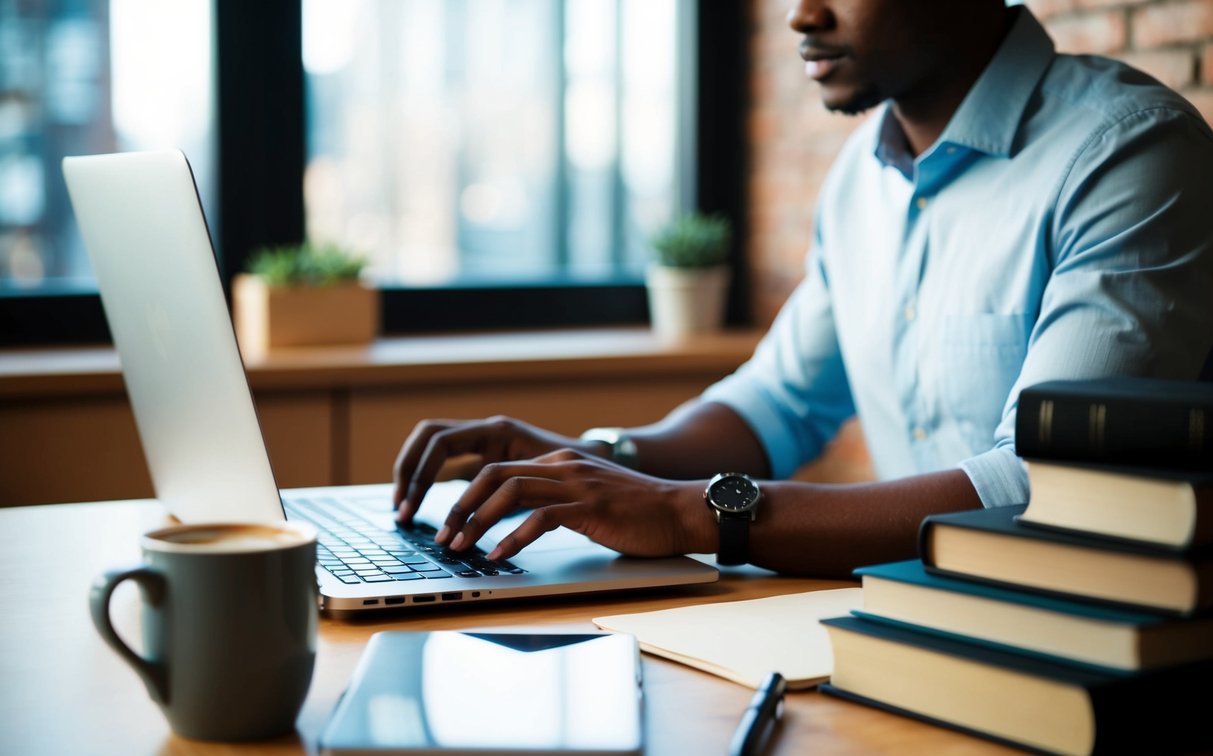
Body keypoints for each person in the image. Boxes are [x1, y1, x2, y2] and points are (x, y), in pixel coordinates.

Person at [392, 0, 1213, 578]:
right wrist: (597, 459)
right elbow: (776, 405)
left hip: (1084, 652)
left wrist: (688, 513)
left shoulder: (1129, 156)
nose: (799, 14)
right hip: (913, 623)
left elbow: (1047, 485)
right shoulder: (862, 175)